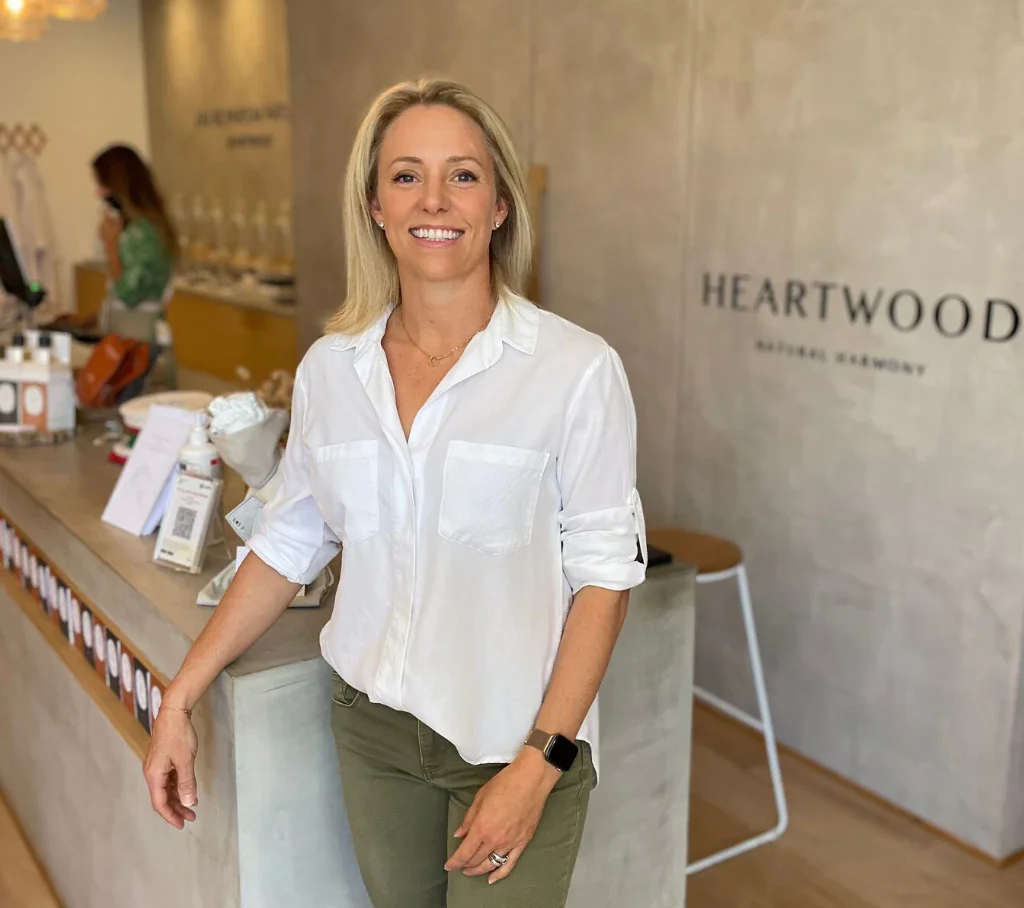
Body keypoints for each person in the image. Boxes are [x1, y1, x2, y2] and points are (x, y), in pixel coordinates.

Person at [143, 79, 648, 908]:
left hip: (516, 741)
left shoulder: (576, 371)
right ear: (375, 204)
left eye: (464, 175)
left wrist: (539, 765)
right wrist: (179, 695)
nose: (435, 200)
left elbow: (604, 579)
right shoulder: (332, 370)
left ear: (500, 206)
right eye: (407, 176)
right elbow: (288, 542)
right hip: (373, 732)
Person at [55, 145, 177, 339]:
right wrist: (90, 319)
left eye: (102, 185)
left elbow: (128, 293)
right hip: (125, 332)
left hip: (138, 338)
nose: (99, 194)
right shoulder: (136, 229)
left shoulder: (143, 234)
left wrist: (110, 245)